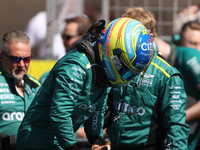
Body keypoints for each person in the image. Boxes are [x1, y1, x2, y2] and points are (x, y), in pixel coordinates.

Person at [16, 17, 154, 150]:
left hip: (61, 142)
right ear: (111, 51)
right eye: (123, 68)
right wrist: (72, 146)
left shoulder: (103, 67)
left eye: (130, 73)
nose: (124, 76)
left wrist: (96, 142)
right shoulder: (76, 66)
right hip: (37, 142)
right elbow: (60, 114)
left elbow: (97, 109)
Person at [105, 7, 190, 150]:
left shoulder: (167, 75)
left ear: (149, 36)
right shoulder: (113, 64)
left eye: (133, 35)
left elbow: (176, 125)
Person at [154, 20, 200, 150]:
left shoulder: (191, 56)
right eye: (192, 43)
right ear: (178, 40)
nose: (197, 49)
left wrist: (177, 118)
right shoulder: (173, 60)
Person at [0, 30, 41, 149]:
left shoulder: (35, 84)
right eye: (15, 59)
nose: (22, 65)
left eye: (27, 59)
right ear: (1, 57)